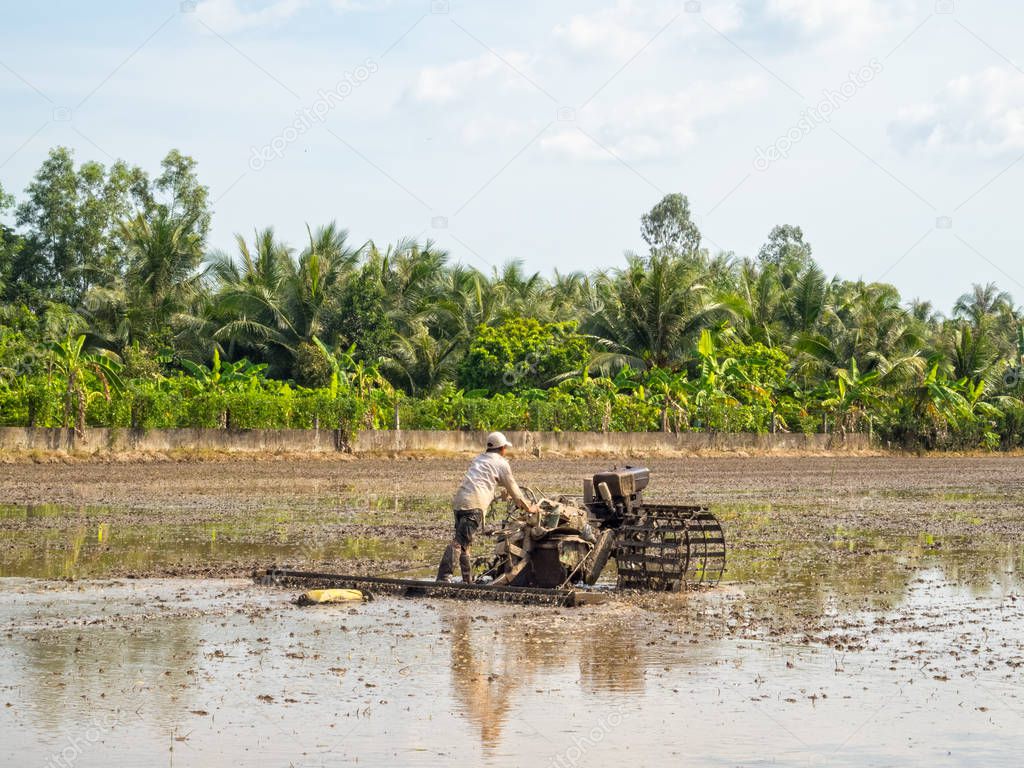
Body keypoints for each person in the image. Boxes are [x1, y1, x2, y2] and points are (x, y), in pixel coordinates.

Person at [436, 431, 538, 583]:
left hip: (459, 502)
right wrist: (529, 508)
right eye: (505, 448)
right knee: (459, 542)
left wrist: (503, 494)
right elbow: (515, 489)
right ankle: (444, 576)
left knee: (465, 543)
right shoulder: (501, 463)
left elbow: (488, 480)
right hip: (474, 505)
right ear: (502, 448)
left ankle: (467, 580)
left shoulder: (479, 459)